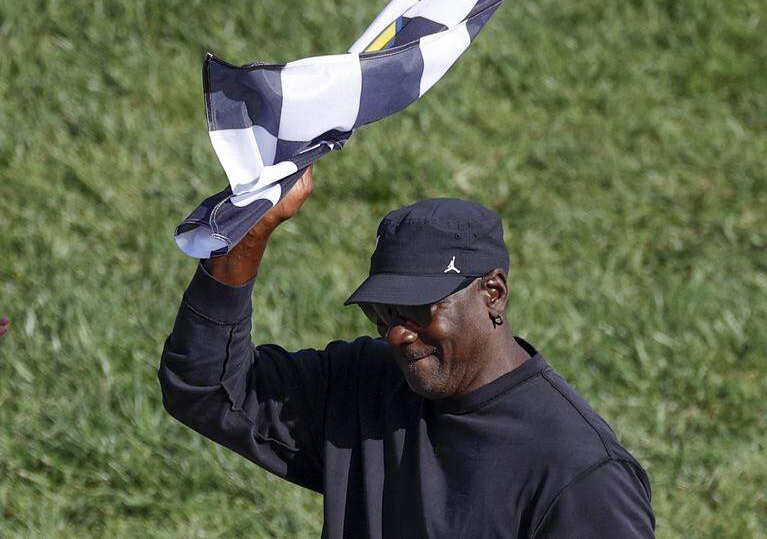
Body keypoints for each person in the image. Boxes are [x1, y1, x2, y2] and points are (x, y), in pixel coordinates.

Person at [158, 168, 655, 539]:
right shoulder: (364, 387)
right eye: (382, 312)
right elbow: (206, 387)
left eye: (417, 310)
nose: (396, 334)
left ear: (493, 294)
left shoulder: (578, 475)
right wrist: (249, 235)